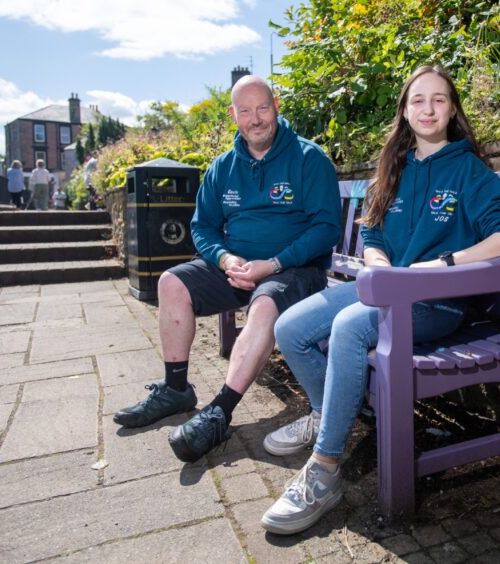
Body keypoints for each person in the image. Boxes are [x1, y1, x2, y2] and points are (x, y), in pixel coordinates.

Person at [260, 65, 500, 535]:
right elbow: (374, 233)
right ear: (404, 110)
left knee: (347, 328)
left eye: (439, 100)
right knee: (289, 328)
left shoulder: (468, 170)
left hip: (435, 303)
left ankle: (324, 468)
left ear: (452, 110)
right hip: (383, 289)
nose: (428, 109)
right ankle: (331, 414)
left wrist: (444, 264)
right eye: (418, 100)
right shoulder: (396, 166)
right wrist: (379, 261)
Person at [113, 75, 342, 464]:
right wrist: (224, 259)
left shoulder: (309, 159)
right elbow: (202, 226)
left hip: (294, 271)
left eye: (263, 108)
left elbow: (326, 229)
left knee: (265, 305)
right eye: (246, 111)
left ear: (277, 107)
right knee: (170, 283)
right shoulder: (223, 167)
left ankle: (220, 410)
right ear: (234, 115)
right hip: (236, 269)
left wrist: (272, 264)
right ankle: (175, 389)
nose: (256, 119)